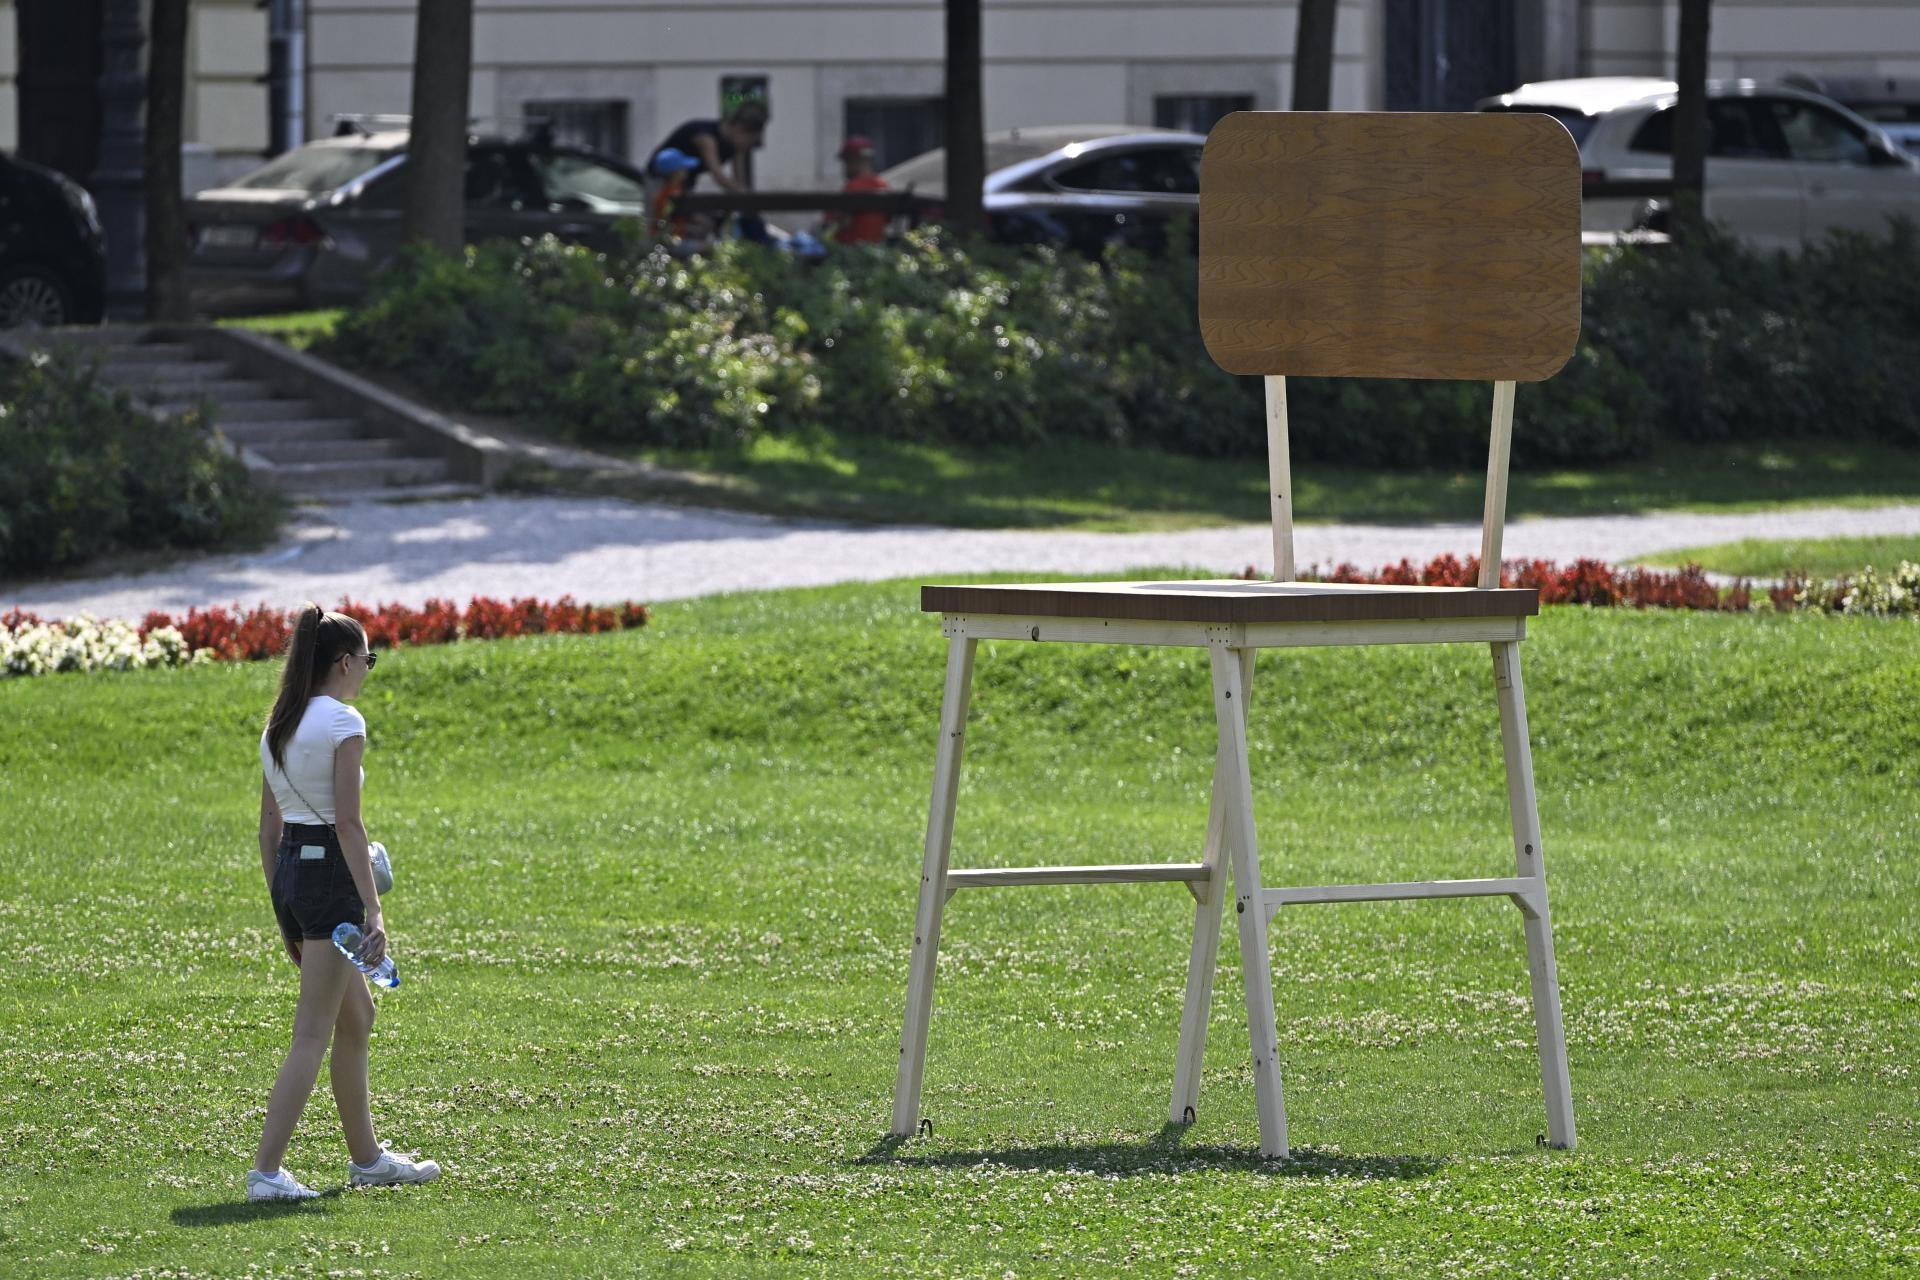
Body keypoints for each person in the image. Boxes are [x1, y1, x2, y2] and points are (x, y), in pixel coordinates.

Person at [247, 605, 439, 1201]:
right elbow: (349, 826)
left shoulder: (279, 724)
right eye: (367, 659)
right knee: (312, 1033)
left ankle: (367, 1160)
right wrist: (373, 911)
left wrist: (284, 912)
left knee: (358, 1017)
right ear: (344, 662)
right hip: (330, 876)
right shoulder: (343, 722)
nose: (367, 670)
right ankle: (266, 1173)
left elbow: (269, 831)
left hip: (293, 876)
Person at [645, 100, 769, 194]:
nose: (746, 147)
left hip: (685, 181)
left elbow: (739, 182)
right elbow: (718, 177)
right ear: (739, 129)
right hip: (659, 178)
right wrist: (746, 195)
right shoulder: (706, 138)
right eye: (749, 142)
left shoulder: (735, 145)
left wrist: (744, 194)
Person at [824, 134, 890, 245]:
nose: (845, 168)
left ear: (854, 160)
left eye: (846, 162)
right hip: (877, 249)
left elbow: (838, 222)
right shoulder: (883, 186)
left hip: (850, 249)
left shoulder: (852, 187)